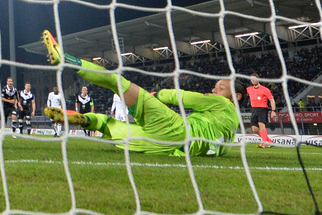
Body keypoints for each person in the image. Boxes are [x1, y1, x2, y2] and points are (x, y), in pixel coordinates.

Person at [41, 30, 243, 157]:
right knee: (108, 124)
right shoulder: (231, 131)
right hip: (171, 148)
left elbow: (183, 97)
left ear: (236, 97)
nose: (214, 90)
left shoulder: (223, 104)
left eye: (221, 88)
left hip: (177, 130)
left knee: (117, 82)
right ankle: (83, 119)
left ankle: (65, 58)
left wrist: (158, 95)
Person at [246, 73, 277, 147]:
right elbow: (241, 92)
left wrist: (273, 111)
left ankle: (263, 143)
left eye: (254, 79)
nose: (253, 80)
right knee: (254, 129)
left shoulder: (265, 89)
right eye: (251, 79)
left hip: (262, 108)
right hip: (254, 109)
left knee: (261, 125)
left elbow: (272, 100)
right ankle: (269, 141)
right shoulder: (249, 89)